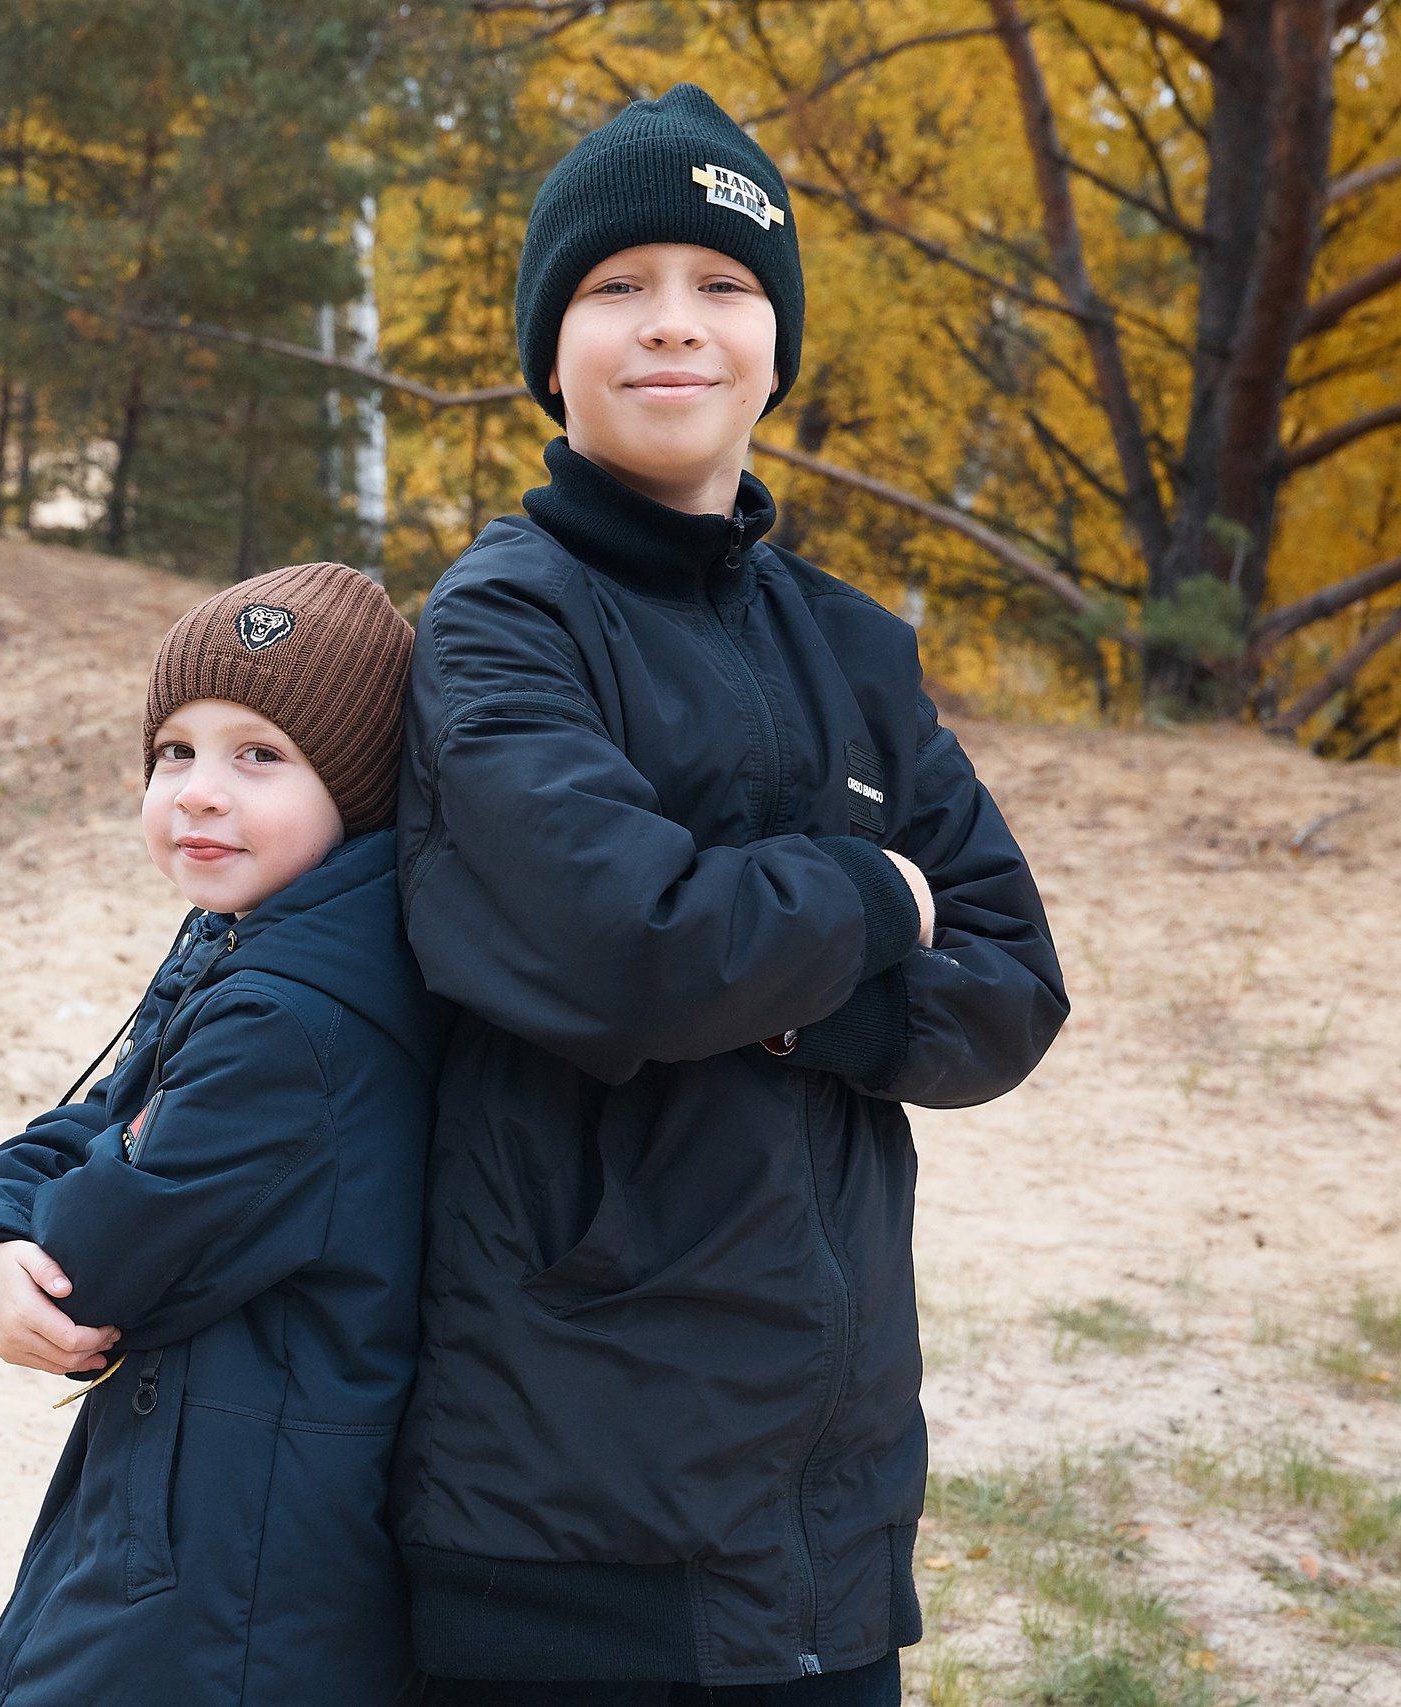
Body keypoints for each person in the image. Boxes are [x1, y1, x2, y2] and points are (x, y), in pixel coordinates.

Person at [389, 85, 1068, 1705]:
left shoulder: (854, 648)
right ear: (550, 349)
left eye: (723, 285)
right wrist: (863, 891)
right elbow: (633, 946)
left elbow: (1017, 985)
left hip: (828, 1518)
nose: (672, 327)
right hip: (567, 1503)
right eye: (618, 287)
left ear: (777, 345)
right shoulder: (500, 625)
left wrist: (770, 979)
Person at [0, 560, 446, 1707]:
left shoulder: (286, 1019)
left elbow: (95, 1261)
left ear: (358, 788)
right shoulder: (250, 945)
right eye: (175, 751)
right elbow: (100, 1123)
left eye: (260, 755)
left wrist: (16, 1225)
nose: (200, 791)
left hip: (233, 1565)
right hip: (220, 1504)